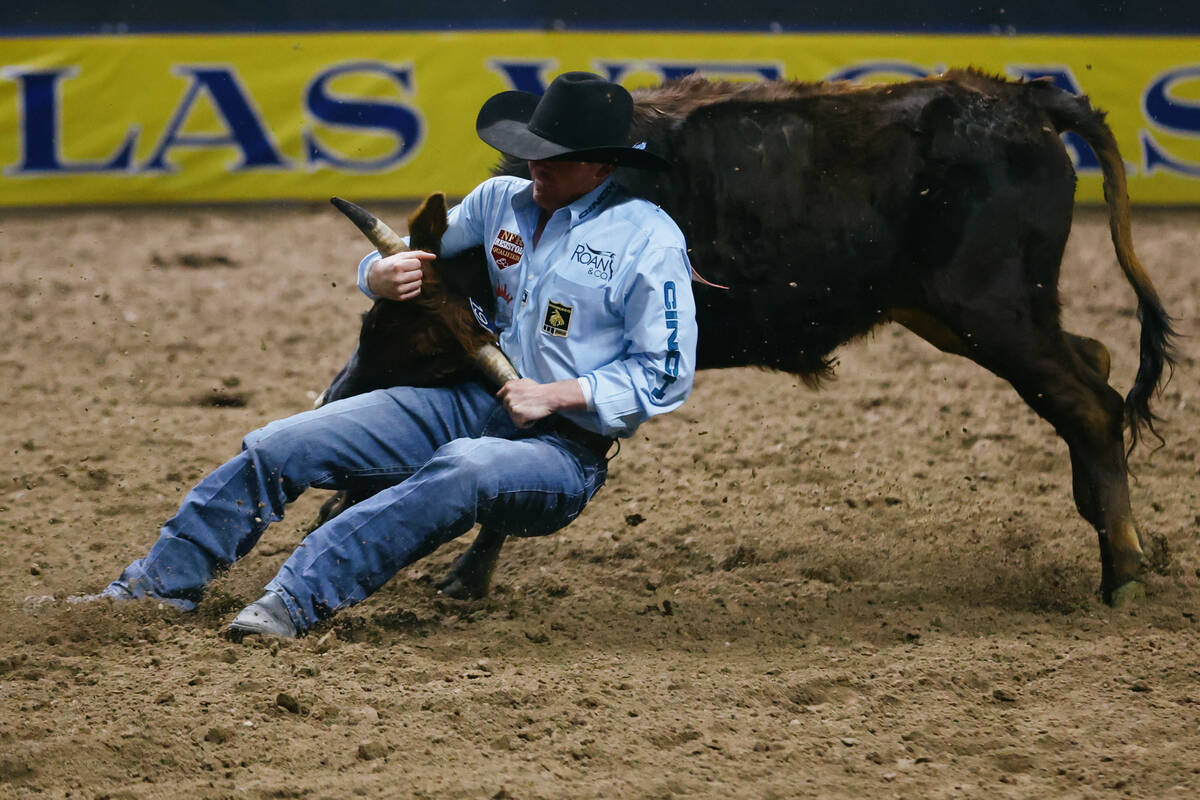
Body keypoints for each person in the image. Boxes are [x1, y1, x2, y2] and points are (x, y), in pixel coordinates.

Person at [83, 72, 698, 638]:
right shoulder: (498, 201)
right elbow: (411, 253)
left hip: (563, 452)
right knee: (278, 444)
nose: (538, 165)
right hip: (467, 404)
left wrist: (558, 393)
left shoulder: (648, 240)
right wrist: (377, 275)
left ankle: (291, 602)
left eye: (558, 159)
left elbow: (666, 372)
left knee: (464, 468)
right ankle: (155, 587)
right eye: (534, 148)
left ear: (600, 168)